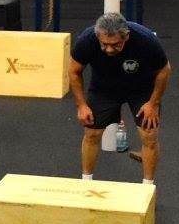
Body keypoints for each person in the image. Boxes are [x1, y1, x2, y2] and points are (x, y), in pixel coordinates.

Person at [68, 12, 172, 186]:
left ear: (127, 36)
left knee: (149, 135)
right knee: (92, 133)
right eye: (104, 44)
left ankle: (147, 189)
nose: (109, 49)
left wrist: (153, 103)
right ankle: (85, 184)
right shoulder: (87, 39)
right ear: (97, 36)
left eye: (115, 44)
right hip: (104, 89)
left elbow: (165, 70)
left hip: (140, 89)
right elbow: (73, 71)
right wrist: (81, 105)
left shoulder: (145, 40)